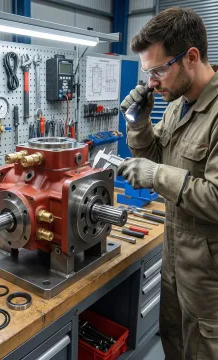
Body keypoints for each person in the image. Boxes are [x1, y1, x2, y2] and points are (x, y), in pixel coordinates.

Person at [118, 7, 218, 360]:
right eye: (148, 74)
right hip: (175, 264)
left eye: (159, 70)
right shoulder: (178, 106)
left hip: (209, 282)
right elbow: (154, 154)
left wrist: (155, 176)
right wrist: (138, 120)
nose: (152, 83)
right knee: (173, 343)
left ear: (191, 57)